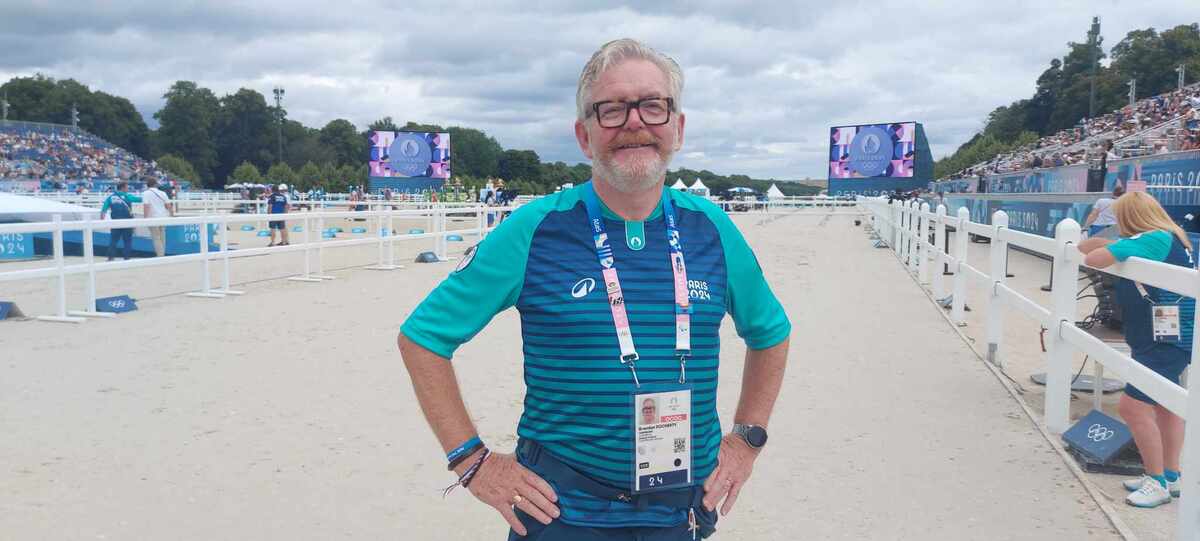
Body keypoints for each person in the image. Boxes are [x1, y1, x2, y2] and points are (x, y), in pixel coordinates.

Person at [397, 38, 790, 540]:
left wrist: (747, 441)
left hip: (681, 515)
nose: (634, 122)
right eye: (611, 109)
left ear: (678, 127)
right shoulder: (534, 229)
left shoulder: (712, 228)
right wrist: (470, 461)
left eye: (653, 105)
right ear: (584, 136)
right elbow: (423, 338)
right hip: (562, 515)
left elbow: (770, 333)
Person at [1077, 192, 1195, 509]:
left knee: (1133, 407)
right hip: (1160, 337)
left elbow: (1092, 258)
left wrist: (1115, 242)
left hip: (1166, 339)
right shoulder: (1163, 237)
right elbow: (1085, 246)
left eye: (1120, 218)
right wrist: (1117, 240)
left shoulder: (1155, 238)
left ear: (1131, 217)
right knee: (1165, 407)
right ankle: (1170, 476)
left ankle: (1155, 481)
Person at [100, 181, 142, 260]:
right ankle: (126, 258)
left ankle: (110, 257)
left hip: (115, 222)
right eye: (127, 187)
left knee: (113, 241)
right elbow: (140, 199)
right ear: (122, 188)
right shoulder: (128, 196)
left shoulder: (111, 197)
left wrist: (102, 221)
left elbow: (103, 210)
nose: (128, 189)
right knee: (127, 241)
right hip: (127, 222)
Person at [141, 178, 175, 257]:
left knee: (156, 237)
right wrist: (172, 215)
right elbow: (168, 206)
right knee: (162, 236)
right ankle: (162, 254)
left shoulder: (145, 193)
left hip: (152, 217)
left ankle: (160, 255)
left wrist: (145, 218)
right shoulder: (163, 193)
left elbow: (146, 206)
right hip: (163, 217)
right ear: (155, 184)